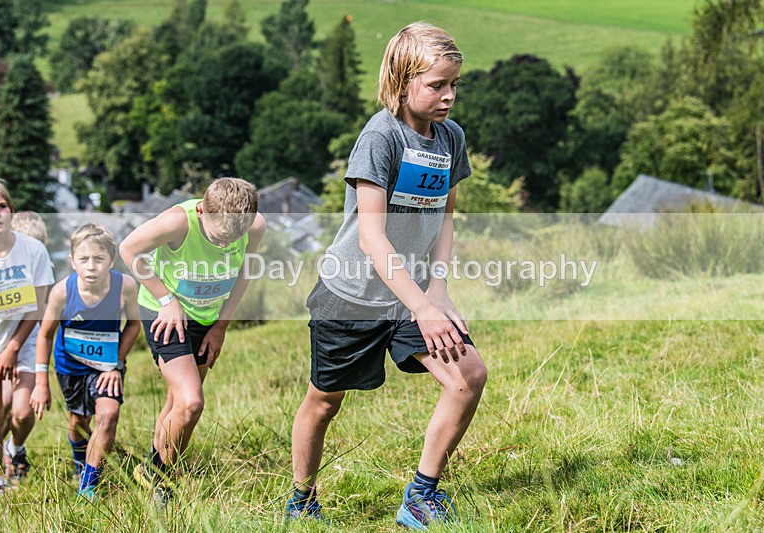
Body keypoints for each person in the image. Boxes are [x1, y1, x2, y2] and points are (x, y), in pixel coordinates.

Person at [286, 22, 487, 529]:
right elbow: (373, 238)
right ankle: (302, 498)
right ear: (401, 81)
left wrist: (435, 290)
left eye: (454, 85)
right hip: (351, 294)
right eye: (436, 85)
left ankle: (420, 496)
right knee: (324, 402)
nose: (449, 97)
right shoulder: (380, 136)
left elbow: (445, 215)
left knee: (467, 378)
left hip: (411, 292)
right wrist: (423, 304)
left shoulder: (450, 138)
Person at [119, 177, 266, 504]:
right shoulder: (176, 222)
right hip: (164, 313)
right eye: (220, 236)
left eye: (235, 237)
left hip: (207, 316)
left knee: (178, 403)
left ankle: (154, 469)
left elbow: (245, 272)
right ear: (201, 211)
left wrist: (221, 326)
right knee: (191, 402)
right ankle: (160, 478)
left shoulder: (254, 227)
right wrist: (166, 300)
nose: (227, 244)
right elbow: (128, 250)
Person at [30, 223, 141, 501]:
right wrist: (40, 382)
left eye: (99, 259)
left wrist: (116, 363)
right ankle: (82, 461)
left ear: (111, 260)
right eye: (84, 259)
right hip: (71, 368)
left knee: (108, 415)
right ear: (72, 261)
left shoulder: (125, 286)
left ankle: (88, 487)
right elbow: (44, 335)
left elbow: (134, 325)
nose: (91, 266)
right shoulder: (61, 292)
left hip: (107, 366)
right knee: (78, 422)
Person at [0, 179, 54, 492]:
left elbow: (38, 307)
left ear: (11, 209)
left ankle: (14, 448)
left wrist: (14, 347)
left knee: (22, 411)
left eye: (2, 206)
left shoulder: (34, 251)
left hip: (24, 340)